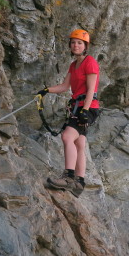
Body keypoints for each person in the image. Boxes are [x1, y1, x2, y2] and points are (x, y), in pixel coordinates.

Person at [36, 29, 100, 197]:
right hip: (78, 107)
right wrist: (45, 90)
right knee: (79, 143)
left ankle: (68, 177)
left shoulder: (90, 62)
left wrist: (85, 111)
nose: (75, 45)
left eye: (79, 43)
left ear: (85, 46)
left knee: (67, 137)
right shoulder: (74, 65)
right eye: (73, 42)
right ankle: (79, 182)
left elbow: (91, 89)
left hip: (87, 107)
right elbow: (65, 87)